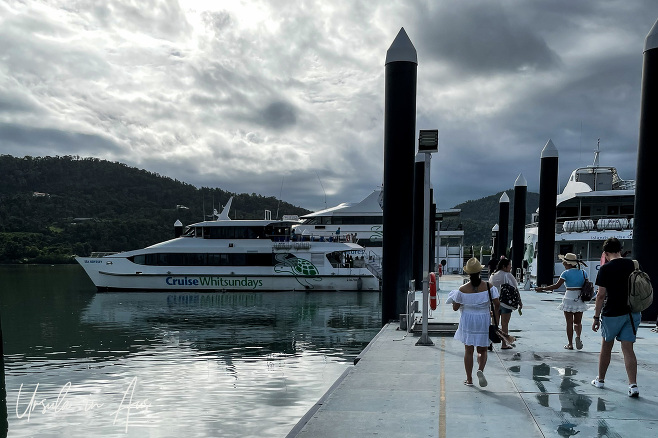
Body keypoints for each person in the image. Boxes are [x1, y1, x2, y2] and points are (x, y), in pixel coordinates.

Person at [591, 238, 641, 397]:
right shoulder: (633, 264)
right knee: (628, 349)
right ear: (620, 249)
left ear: (605, 253)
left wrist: (596, 317)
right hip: (632, 312)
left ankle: (600, 380)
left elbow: (601, 295)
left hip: (612, 313)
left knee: (606, 347)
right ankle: (633, 385)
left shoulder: (605, 269)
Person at [447, 258, 500, 387]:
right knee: (482, 349)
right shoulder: (489, 287)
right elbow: (497, 304)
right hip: (483, 318)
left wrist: (454, 299)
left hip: (468, 319)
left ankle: (469, 379)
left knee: (468, 350)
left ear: (468, 274)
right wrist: (495, 320)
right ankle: (480, 370)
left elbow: (455, 307)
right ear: (480, 272)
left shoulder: (462, 289)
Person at [535, 253, 589, 350]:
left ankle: (570, 344)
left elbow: (556, 286)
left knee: (569, 322)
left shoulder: (565, 273)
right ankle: (578, 337)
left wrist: (542, 289)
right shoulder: (583, 273)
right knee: (578, 322)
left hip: (569, 297)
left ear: (568, 264)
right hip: (580, 298)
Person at [489, 258, 522, 350]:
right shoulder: (508, 275)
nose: (511, 267)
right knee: (505, 324)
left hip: (494, 303)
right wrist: (519, 301)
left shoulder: (493, 275)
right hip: (506, 303)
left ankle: (490, 343)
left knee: (494, 324)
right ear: (504, 266)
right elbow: (515, 289)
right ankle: (504, 344)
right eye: (509, 265)